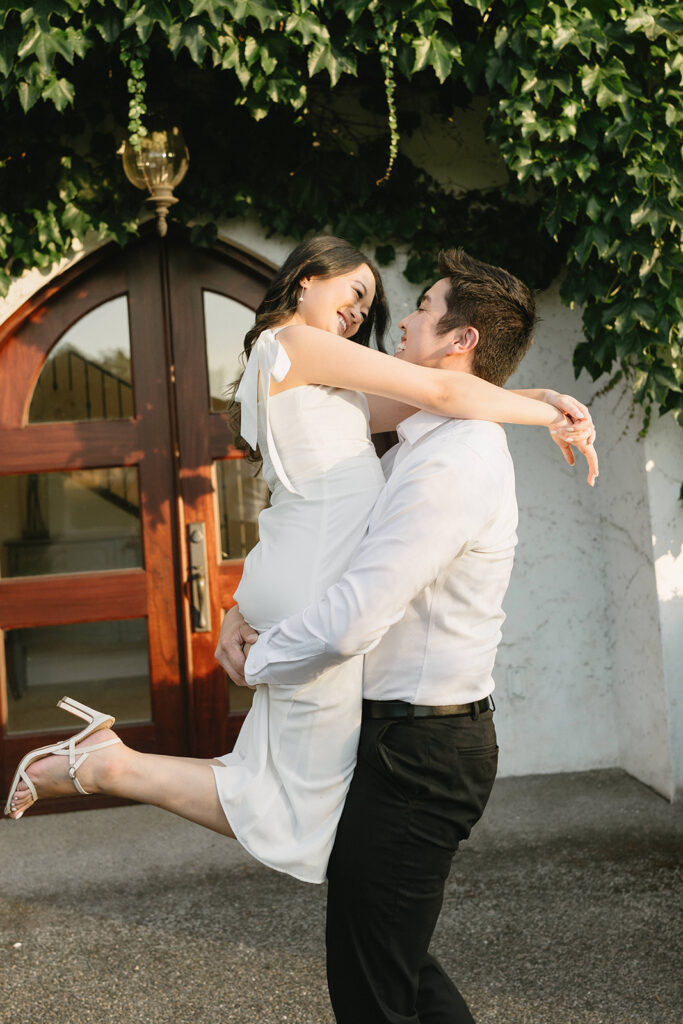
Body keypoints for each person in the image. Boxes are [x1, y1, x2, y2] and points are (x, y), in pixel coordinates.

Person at [5, 239, 595, 893]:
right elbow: (439, 389)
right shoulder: (294, 343)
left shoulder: (300, 369)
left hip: (294, 568)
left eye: (366, 305)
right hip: (317, 583)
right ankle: (103, 766)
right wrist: (552, 415)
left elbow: (441, 397)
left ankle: (107, 764)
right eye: (354, 295)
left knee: (274, 782)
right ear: (309, 280)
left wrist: (535, 392)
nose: (360, 313)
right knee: (303, 812)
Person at [218, 247, 598, 1023]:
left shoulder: (451, 460)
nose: (390, 318)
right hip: (397, 738)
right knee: (392, 968)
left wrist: (265, 658)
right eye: (357, 294)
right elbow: (329, 515)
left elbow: (357, 609)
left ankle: (104, 767)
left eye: (417, 306)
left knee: (375, 984)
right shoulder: (411, 441)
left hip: (424, 750)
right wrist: (243, 606)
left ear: (458, 338)